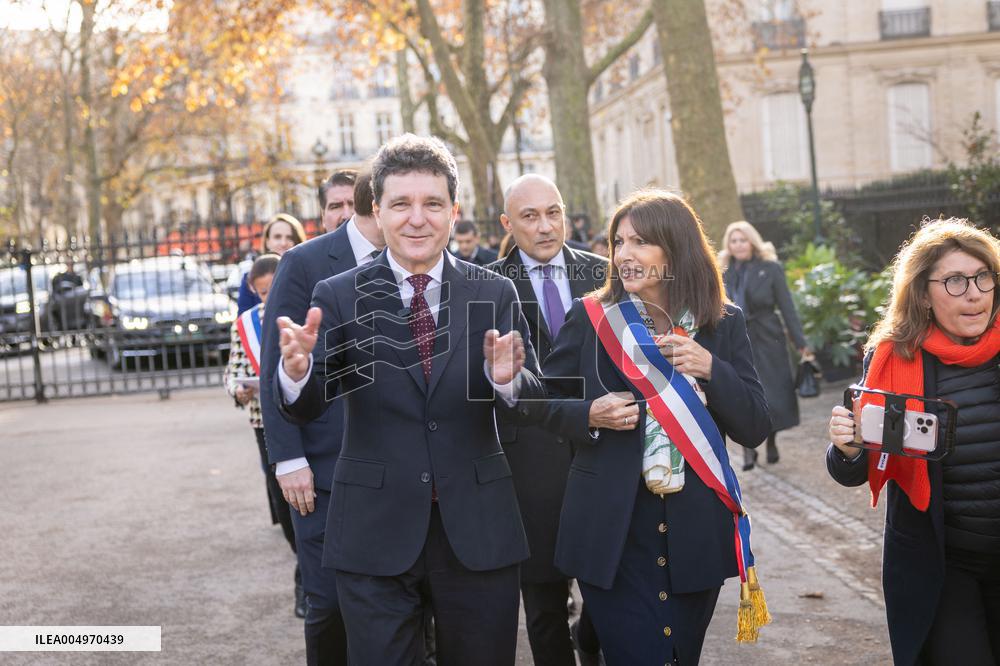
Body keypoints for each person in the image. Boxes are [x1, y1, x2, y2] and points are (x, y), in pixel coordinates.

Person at [274, 134, 544, 666]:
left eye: (432, 204)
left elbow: (532, 404)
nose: (417, 219)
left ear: (454, 211)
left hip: (477, 528)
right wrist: (297, 374)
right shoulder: (338, 294)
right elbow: (308, 405)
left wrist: (508, 381)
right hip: (374, 530)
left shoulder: (495, 292)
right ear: (377, 211)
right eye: (401, 204)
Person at [523, 190, 771, 664]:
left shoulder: (722, 323)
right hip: (611, 529)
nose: (624, 255)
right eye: (619, 242)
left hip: (694, 532)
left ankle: (589, 638)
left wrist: (712, 369)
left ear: (675, 249)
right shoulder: (591, 318)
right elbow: (543, 402)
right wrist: (589, 413)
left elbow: (754, 426)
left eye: (640, 242)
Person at [827, 218, 1000, 665]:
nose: (975, 294)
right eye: (955, 281)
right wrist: (847, 448)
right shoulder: (892, 357)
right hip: (942, 567)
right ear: (923, 293)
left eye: (983, 277)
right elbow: (855, 467)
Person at [259, 171, 385, 666]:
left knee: (397, 605)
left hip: (398, 469)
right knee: (330, 604)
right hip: (323, 470)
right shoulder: (303, 263)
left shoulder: (412, 256)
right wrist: (289, 459)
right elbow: (277, 368)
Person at [488, 174, 607, 666]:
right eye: (530, 216)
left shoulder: (605, 275)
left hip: (602, 454)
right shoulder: (485, 285)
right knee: (543, 608)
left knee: (607, 594)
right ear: (507, 223)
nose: (544, 226)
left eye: (553, 213)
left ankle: (591, 644)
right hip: (529, 467)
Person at [222, 254, 303, 617]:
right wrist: (237, 390)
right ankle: (301, 563)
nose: (270, 297)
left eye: (275, 288)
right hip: (263, 421)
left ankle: (308, 575)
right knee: (283, 500)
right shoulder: (246, 324)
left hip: (304, 416)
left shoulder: (304, 314)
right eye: (263, 292)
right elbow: (233, 370)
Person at [720, 220, 811, 470]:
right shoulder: (723, 272)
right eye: (734, 241)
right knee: (741, 391)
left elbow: (787, 307)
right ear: (729, 245)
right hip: (736, 338)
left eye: (743, 240)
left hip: (768, 337)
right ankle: (748, 449)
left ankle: (771, 439)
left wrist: (801, 343)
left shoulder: (770, 268)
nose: (739, 245)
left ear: (752, 242)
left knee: (772, 393)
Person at [236, 214, 307, 315]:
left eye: (290, 237)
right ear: (267, 241)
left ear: (298, 242)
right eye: (277, 237)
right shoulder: (250, 277)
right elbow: (243, 317)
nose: (283, 243)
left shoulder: (307, 274)